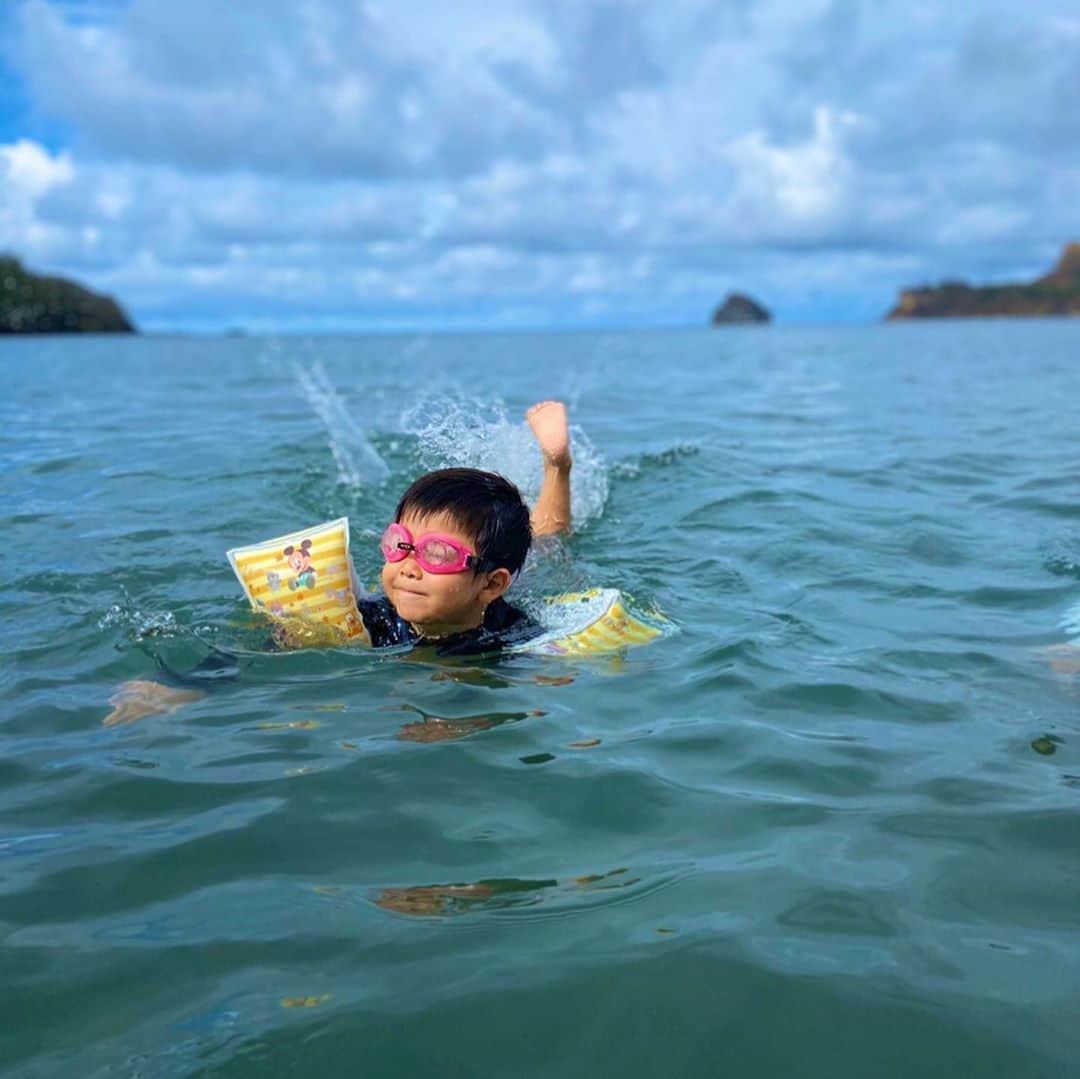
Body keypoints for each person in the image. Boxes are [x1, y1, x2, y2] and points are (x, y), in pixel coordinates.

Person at [104, 400, 574, 726]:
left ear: (490, 586)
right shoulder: (373, 617)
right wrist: (183, 685)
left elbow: (553, 675)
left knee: (545, 548)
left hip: (504, 589)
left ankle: (557, 466)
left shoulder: (513, 633)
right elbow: (259, 648)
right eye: (400, 545)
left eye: (437, 555)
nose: (409, 567)